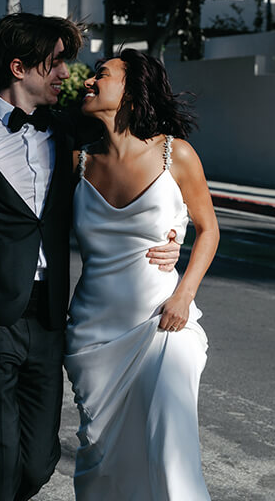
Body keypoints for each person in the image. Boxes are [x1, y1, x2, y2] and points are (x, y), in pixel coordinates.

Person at [0, 12, 181, 501]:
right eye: (55, 64)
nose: (66, 75)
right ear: (19, 67)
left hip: (49, 320)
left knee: (40, 463)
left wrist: (168, 232)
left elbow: (133, 167)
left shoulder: (71, 137)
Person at [64, 48, 220, 500]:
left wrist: (184, 295)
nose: (89, 82)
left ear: (131, 91)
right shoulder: (78, 161)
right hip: (93, 334)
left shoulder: (177, 155)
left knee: (172, 456)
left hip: (163, 323)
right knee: (102, 465)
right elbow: (26, 222)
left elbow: (208, 230)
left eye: (102, 75)